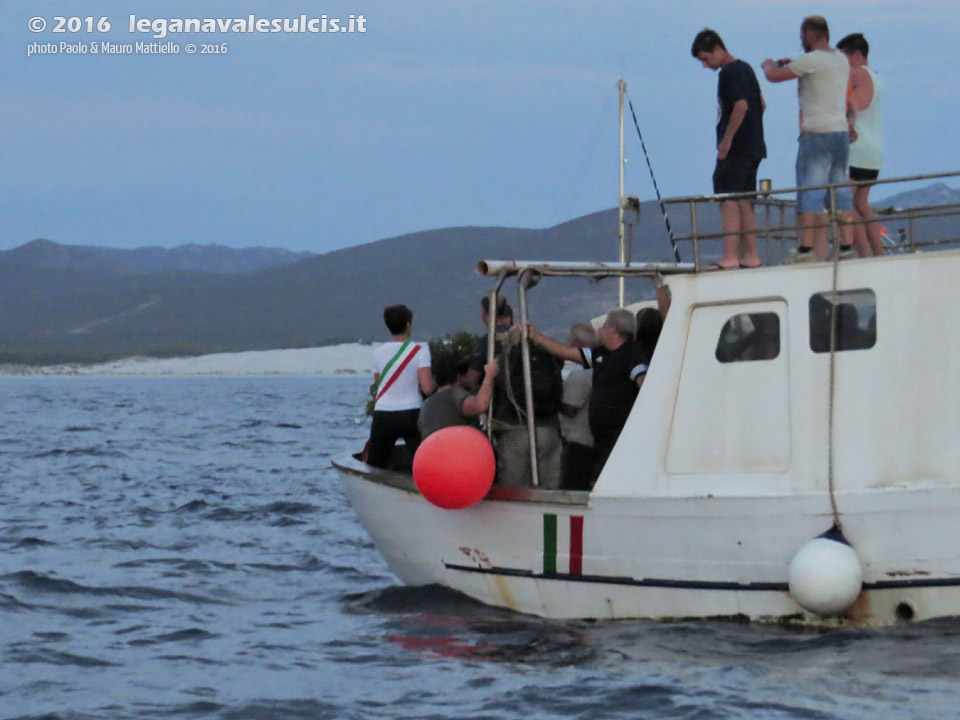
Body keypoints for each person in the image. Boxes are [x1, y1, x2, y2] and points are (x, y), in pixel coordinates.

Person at [762, 16, 857, 262]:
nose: (801, 41)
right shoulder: (839, 60)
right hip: (840, 132)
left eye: (802, 36)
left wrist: (769, 65)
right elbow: (814, 69)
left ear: (809, 35)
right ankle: (847, 246)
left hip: (816, 134)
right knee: (840, 189)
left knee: (810, 191)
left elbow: (774, 77)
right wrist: (794, 63)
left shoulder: (810, 60)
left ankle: (805, 250)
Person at [527, 309, 650, 485]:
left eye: (605, 326)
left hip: (618, 438)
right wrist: (537, 337)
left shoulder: (631, 354)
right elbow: (567, 352)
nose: (601, 331)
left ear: (614, 329)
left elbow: (643, 380)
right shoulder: (602, 354)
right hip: (600, 439)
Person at [466, 296, 564, 489]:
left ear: (486, 315)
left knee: (514, 491)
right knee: (550, 493)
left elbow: (471, 380)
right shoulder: (544, 348)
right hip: (549, 428)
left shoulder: (491, 345)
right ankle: (548, 521)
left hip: (512, 427)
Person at [691, 29, 766, 270]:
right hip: (753, 147)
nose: (704, 65)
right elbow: (761, 104)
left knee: (728, 199)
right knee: (745, 200)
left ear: (717, 49)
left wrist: (727, 140)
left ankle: (730, 256)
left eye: (705, 58)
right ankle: (750, 255)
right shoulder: (746, 68)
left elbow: (741, 106)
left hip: (736, 150)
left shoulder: (729, 72)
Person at [366, 304, 435, 469]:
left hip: (383, 414)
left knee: (375, 465)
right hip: (411, 413)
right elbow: (427, 388)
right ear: (408, 325)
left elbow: (379, 384)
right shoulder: (420, 351)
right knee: (424, 463)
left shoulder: (377, 353)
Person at [837, 32, 884, 258]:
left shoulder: (856, 74)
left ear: (856, 56)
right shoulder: (877, 77)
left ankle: (864, 255)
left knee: (847, 204)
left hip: (856, 148)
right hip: (874, 152)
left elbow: (848, 104)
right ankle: (878, 254)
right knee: (862, 205)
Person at [418, 351, 498, 439]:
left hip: (430, 451)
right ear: (458, 376)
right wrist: (489, 376)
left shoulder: (426, 405)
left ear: (434, 379)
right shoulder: (455, 395)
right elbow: (480, 405)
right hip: (455, 449)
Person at [558, 324, 596, 491]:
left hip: (577, 442)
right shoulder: (600, 366)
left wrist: (552, 400)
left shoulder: (581, 372)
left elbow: (570, 409)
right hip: (592, 440)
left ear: (577, 343)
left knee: (572, 488)